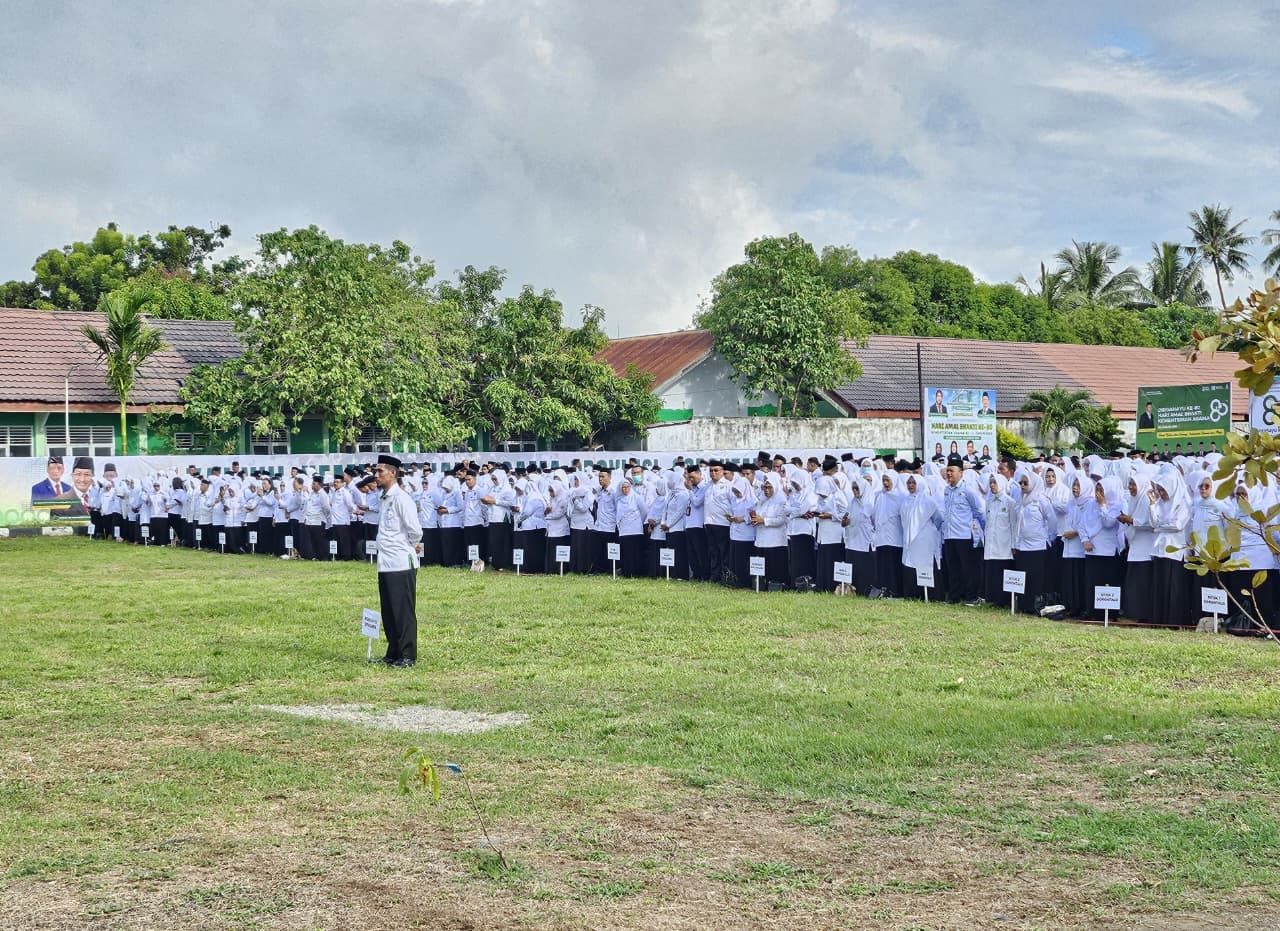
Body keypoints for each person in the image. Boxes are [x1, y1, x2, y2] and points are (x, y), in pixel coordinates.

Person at [372, 455, 422, 667]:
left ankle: (407, 654)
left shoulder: (402, 499)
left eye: (380, 471)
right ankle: (393, 651)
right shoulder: (384, 499)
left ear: (393, 473)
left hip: (401, 562)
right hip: (386, 562)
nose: (376, 475)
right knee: (389, 611)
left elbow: (415, 531)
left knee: (403, 611)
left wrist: (408, 546)